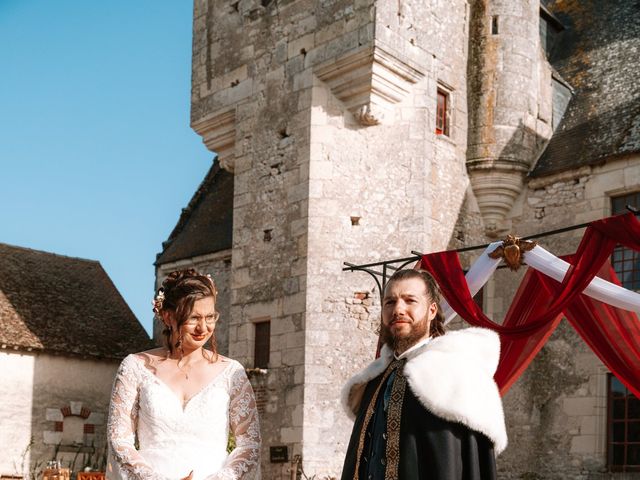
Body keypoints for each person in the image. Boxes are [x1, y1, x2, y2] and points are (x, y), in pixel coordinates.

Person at [340, 269, 507, 480]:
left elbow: (468, 465)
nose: (398, 309)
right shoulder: (374, 380)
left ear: (432, 310)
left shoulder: (460, 376)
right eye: (390, 302)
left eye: (410, 300)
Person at [106, 269, 261, 480]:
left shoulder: (231, 372)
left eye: (210, 317)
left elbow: (249, 444)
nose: (203, 327)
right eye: (193, 318)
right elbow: (119, 440)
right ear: (168, 316)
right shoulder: (134, 367)